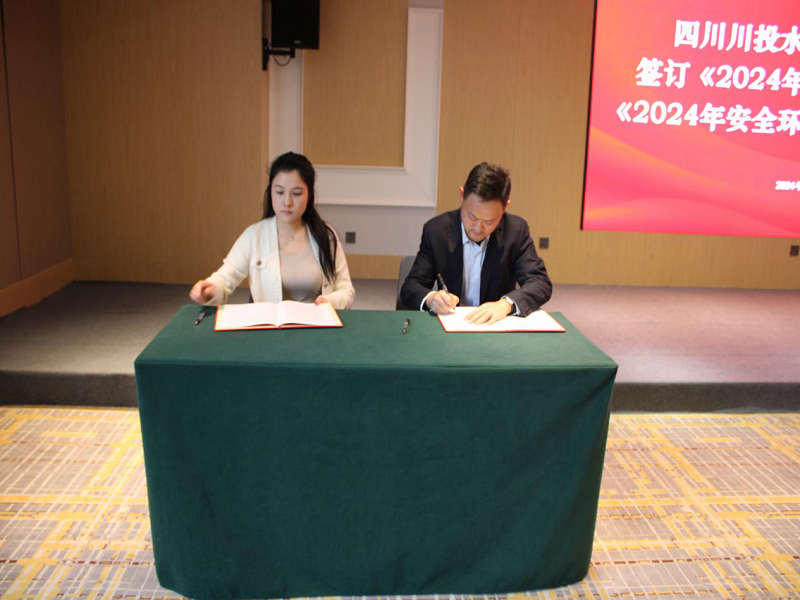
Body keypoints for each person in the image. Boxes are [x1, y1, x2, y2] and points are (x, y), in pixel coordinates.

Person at [189, 152, 355, 309]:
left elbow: (346, 289)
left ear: (309, 195)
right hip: (269, 326)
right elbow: (225, 278)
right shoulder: (254, 236)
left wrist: (329, 302)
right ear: (271, 193)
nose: (287, 202)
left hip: (316, 324)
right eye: (279, 192)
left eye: (296, 193)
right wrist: (210, 289)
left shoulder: (326, 236)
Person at [400, 162, 551, 325]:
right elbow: (411, 286)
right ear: (462, 195)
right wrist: (432, 298)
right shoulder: (437, 231)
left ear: (505, 207)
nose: (478, 228)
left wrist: (506, 304)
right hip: (451, 325)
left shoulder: (515, 231)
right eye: (472, 216)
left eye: (489, 221)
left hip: (494, 326)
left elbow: (540, 282)